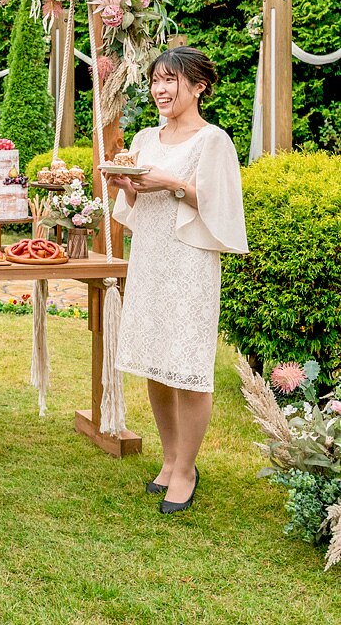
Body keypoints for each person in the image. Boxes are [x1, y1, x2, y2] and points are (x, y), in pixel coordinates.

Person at [110, 46, 247, 515]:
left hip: (190, 265)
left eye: (170, 80)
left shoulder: (213, 141)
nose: (160, 90)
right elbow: (135, 204)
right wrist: (128, 184)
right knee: (155, 362)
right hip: (150, 258)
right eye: (155, 81)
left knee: (187, 366)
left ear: (198, 87)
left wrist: (171, 183)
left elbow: (221, 205)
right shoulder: (145, 138)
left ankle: (187, 469)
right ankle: (169, 459)